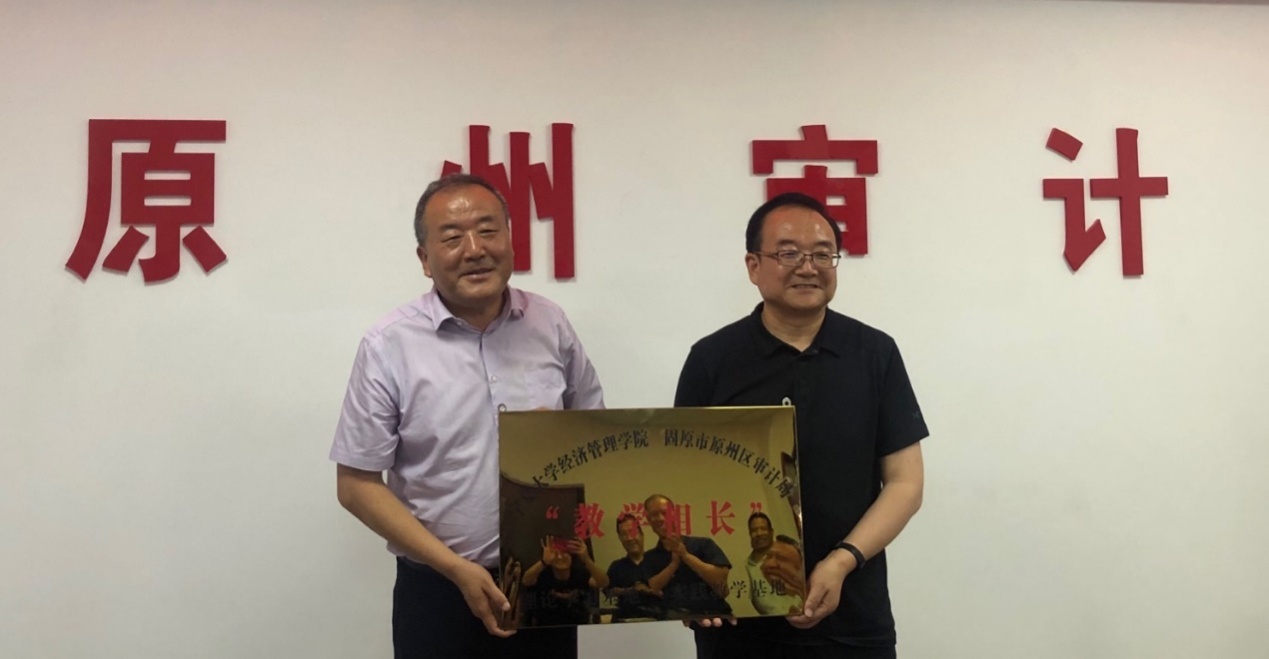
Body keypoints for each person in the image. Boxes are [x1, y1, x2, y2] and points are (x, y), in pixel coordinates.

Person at [329, 173, 605, 659]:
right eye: (453, 238)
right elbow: (356, 484)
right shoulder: (388, 345)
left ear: (511, 240)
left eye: (488, 230)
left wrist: (560, 440)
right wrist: (455, 568)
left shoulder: (550, 324)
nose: (475, 250)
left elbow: (595, 437)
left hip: (544, 584)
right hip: (437, 590)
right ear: (424, 259)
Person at [675, 192, 928, 658]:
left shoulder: (875, 354)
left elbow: (905, 483)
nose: (808, 267)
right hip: (738, 623)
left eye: (822, 254)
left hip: (852, 618)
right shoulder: (712, 360)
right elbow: (685, 486)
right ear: (753, 266)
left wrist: (842, 561)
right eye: (788, 253)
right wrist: (692, 587)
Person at [641, 494, 733, 617]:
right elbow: (653, 586)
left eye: (664, 513)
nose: (660, 518)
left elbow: (721, 580)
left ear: (674, 514)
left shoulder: (704, 544)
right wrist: (673, 565)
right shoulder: (649, 557)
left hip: (714, 616)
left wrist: (686, 556)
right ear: (648, 520)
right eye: (654, 515)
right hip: (674, 622)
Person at [520, 536, 608, 627]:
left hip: (578, 628)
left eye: (565, 552)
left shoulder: (580, 574)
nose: (560, 556)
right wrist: (543, 562)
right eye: (555, 553)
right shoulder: (543, 575)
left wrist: (587, 559)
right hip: (547, 629)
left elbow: (603, 583)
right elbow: (526, 581)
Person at [604, 512, 665, 621]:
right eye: (624, 534)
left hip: (657, 621)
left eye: (632, 532)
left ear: (641, 534)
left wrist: (648, 590)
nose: (629, 538)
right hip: (624, 622)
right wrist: (631, 590)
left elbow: (671, 593)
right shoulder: (616, 566)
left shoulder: (658, 562)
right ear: (620, 539)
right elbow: (608, 592)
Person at [745, 512, 803, 615]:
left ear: (771, 532)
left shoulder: (789, 553)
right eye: (754, 530)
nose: (759, 533)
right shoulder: (746, 567)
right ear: (750, 535)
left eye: (763, 529)